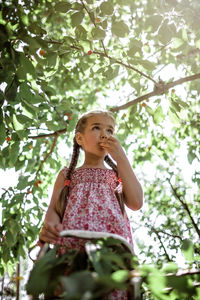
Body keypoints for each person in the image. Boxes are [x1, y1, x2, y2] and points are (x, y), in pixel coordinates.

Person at [39, 110, 143, 299]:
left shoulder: (117, 175)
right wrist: (51, 226)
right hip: (73, 247)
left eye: (110, 131)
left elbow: (136, 202)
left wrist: (121, 157)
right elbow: (53, 210)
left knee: (109, 291)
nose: (105, 135)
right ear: (80, 138)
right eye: (96, 128)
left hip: (112, 249)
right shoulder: (67, 175)